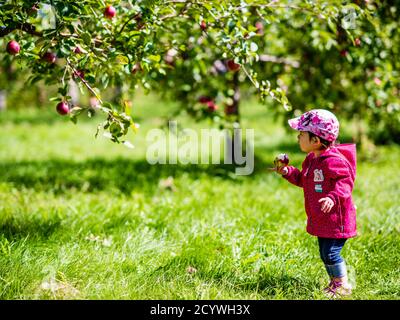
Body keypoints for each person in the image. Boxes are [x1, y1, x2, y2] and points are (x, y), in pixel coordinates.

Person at [275, 109, 357, 298]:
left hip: (337, 219)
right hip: (322, 218)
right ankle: (334, 282)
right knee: (324, 253)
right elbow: (304, 180)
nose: (298, 137)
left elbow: (345, 183)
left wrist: (332, 197)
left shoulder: (334, 162)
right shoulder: (312, 160)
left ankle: (343, 285)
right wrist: (287, 172)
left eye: (302, 134)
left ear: (316, 140)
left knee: (331, 253)